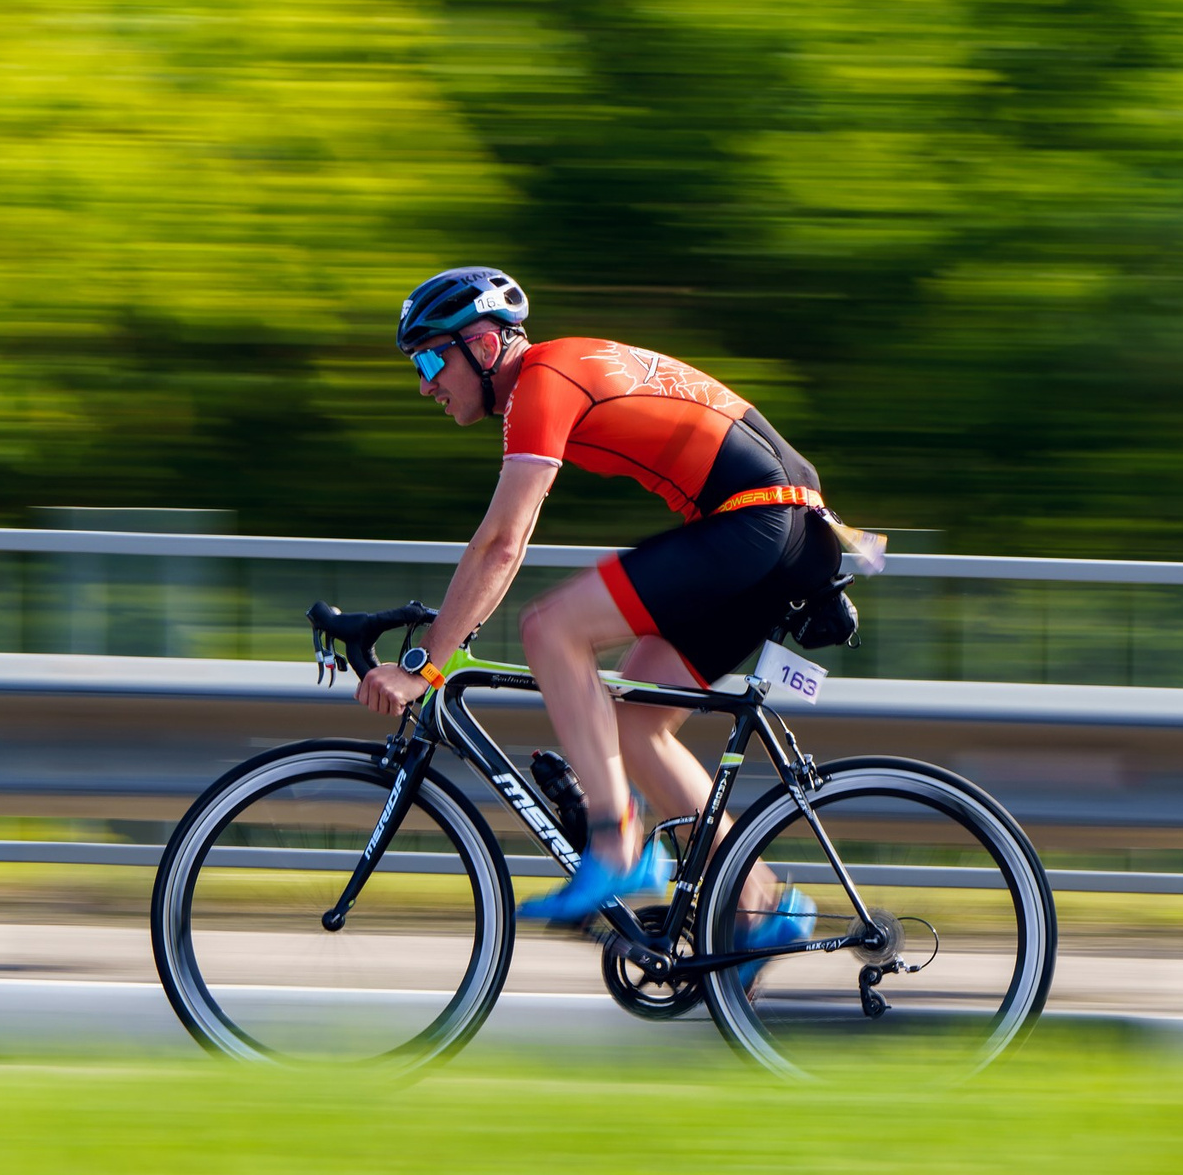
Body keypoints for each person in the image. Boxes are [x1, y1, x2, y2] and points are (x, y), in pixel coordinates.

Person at [358, 266, 847, 928]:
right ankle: (762, 906)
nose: (424, 384)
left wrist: (425, 663)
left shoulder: (542, 380)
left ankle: (615, 841)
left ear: (480, 343)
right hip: (782, 525)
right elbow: (506, 547)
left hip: (760, 517)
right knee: (635, 726)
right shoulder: (553, 377)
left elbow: (503, 542)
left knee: (551, 627)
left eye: (427, 358)